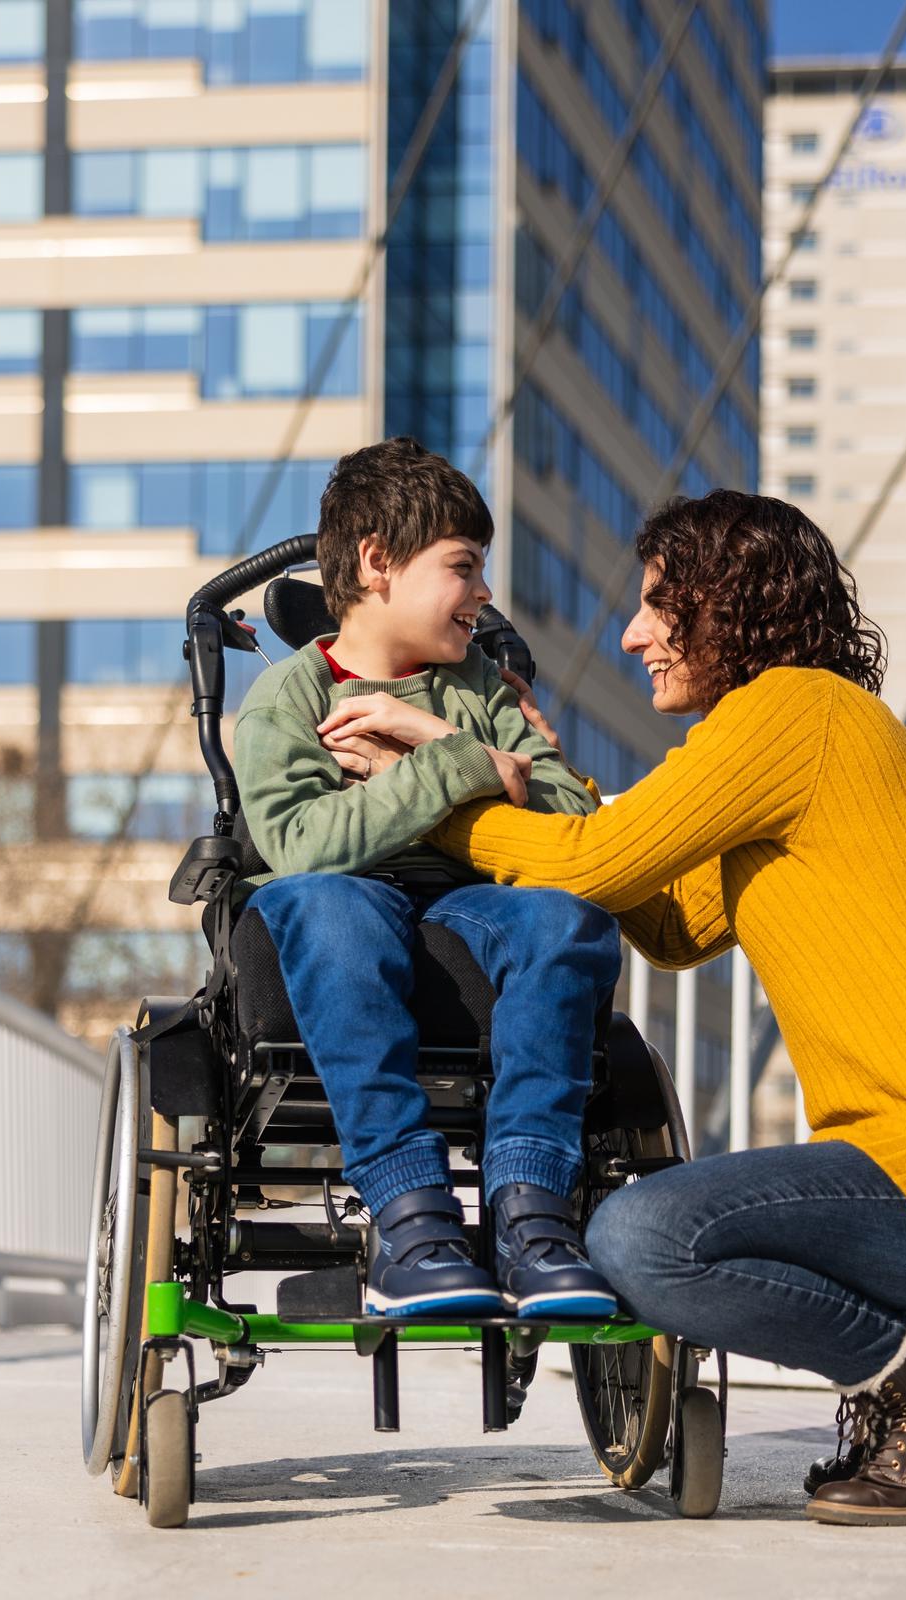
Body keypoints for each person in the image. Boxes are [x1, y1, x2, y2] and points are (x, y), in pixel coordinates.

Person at [318, 488, 906, 1525]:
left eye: (654, 604)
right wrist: (536, 784)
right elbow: (669, 922)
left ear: (724, 603)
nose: (633, 633)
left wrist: (442, 784)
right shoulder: (793, 739)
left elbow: (590, 865)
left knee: (639, 1237)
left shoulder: (797, 713)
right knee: (647, 1230)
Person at [234, 436, 621, 1320]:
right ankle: (412, 1220)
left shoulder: (480, 685)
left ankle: (531, 1212)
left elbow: (569, 816)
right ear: (378, 564)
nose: (483, 593)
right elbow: (303, 844)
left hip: (468, 902)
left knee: (569, 921)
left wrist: (437, 740)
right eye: (463, 566)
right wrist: (474, 769)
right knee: (328, 903)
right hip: (344, 904)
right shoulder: (288, 700)